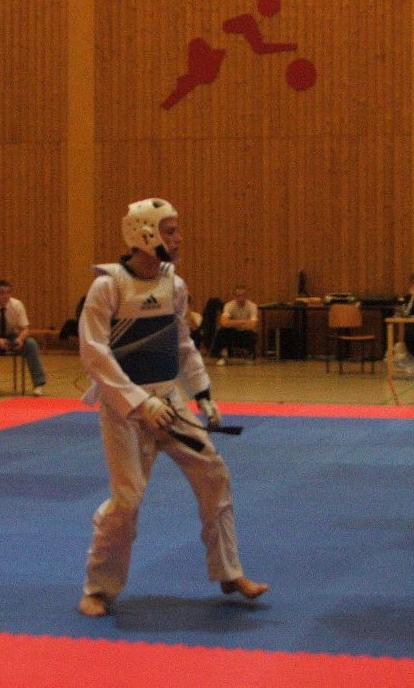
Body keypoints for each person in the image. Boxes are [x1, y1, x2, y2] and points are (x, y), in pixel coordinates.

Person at [76, 198, 267, 617]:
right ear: (144, 234)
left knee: (214, 473)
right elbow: (94, 354)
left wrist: (203, 393)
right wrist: (139, 402)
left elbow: (182, 344)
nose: (179, 239)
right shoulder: (108, 286)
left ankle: (229, 571)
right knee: (127, 499)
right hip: (125, 409)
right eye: (170, 231)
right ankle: (98, 587)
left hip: (169, 401)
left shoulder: (173, 285)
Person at [0, 279, 47, 398]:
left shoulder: (17, 305)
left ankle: (38, 384)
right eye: (2, 293)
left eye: (8, 292)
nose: (5, 296)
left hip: (11, 336)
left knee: (31, 343)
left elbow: (25, 328)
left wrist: (20, 339)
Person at [212, 285, 259, 366]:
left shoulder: (252, 306)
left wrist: (232, 322)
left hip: (246, 332)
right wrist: (244, 321)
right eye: (238, 295)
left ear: (247, 296)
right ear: (234, 296)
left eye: (243, 295)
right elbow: (224, 322)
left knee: (253, 334)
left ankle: (250, 356)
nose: (241, 298)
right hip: (233, 331)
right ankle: (223, 356)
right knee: (222, 331)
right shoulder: (229, 306)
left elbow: (253, 325)